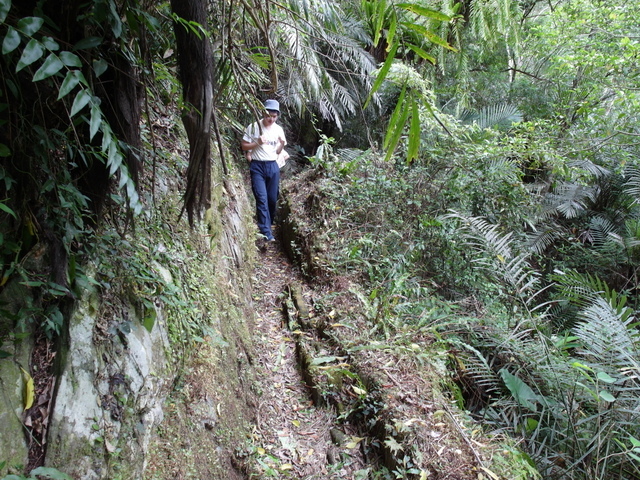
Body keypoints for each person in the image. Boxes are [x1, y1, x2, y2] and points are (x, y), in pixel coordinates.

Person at [241, 99, 287, 242]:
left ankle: (268, 224)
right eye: (268, 116)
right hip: (257, 166)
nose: (271, 119)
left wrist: (282, 144)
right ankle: (266, 232)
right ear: (263, 113)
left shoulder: (278, 129)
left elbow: (279, 151)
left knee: (272, 199)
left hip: (273, 166)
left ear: (277, 116)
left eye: (274, 116)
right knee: (261, 198)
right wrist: (257, 143)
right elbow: (243, 146)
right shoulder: (253, 127)